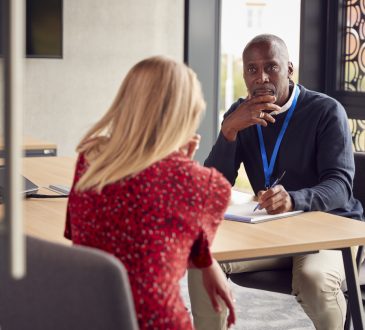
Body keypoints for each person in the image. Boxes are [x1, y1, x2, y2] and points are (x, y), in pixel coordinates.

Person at [188, 34, 364, 330]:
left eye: (272, 67)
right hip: (272, 231)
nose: (262, 77)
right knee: (202, 259)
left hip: (329, 230)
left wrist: (295, 199)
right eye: (252, 69)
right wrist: (228, 130)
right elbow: (213, 187)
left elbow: (340, 186)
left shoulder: (326, 111)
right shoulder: (241, 115)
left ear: (290, 69)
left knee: (313, 279)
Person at [64, 56, 236, 329]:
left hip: (85, 314)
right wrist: (185, 166)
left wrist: (208, 263)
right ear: (188, 113)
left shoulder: (92, 157)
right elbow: (184, 255)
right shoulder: (208, 185)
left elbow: (79, 235)